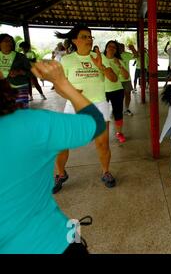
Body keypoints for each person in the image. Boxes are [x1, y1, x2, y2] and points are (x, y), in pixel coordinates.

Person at [0, 61, 105, 253]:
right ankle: (61, 173)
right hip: (51, 242)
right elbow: (95, 123)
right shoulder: (31, 125)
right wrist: (63, 83)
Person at [53, 25, 118, 193]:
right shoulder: (67, 60)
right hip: (74, 104)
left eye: (90, 37)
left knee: (102, 144)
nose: (89, 40)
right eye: (84, 37)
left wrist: (100, 66)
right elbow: (58, 86)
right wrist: (70, 95)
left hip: (99, 104)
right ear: (75, 40)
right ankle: (60, 174)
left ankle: (106, 172)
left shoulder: (99, 56)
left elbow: (113, 77)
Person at [103, 40, 130, 143]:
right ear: (106, 48)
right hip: (103, 90)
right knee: (104, 113)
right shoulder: (100, 59)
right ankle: (104, 135)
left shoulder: (118, 60)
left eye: (114, 47)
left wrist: (119, 65)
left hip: (117, 90)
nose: (111, 48)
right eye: (109, 46)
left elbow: (126, 76)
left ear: (116, 50)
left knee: (118, 113)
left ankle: (119, 133)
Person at [0, 34, 31, 108]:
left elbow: (31, 73)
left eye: (11, 41)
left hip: (20, 86)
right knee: (5, 111)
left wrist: (20, 72)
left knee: (21, 110)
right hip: (3, 89)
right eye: (6, 41)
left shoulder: (20, 56)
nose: (9, 43)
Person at [118, 43, 135, 116]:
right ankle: (117, 109)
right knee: (118, 96)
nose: (122, 48)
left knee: (128, 95)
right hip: (117, 80)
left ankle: (126, 109)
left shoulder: (126, 55)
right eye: (120, 47)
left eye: (123, 47)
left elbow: (137, 55)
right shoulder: (113, 55)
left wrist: (133, 48)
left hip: (127, 79)